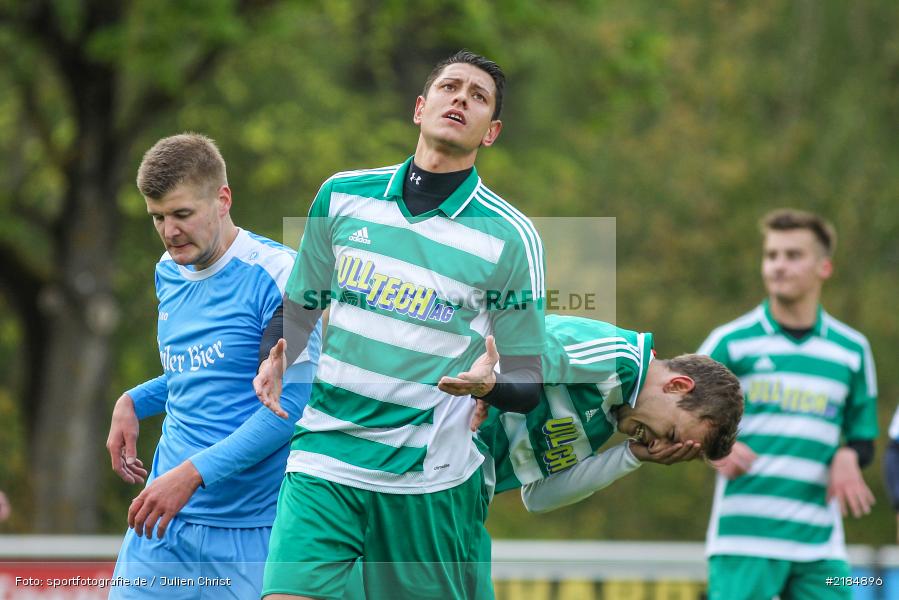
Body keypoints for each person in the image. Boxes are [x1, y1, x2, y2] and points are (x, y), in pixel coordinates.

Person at [255, 50, 546, 599]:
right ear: (420, 108)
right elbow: (299, 305)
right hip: (326, 456)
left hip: (427, 480)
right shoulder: (342, 195)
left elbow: (529, 380)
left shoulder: (511, 237)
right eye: (449, 87)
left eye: (477, 96)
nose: (460, 99)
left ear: (492, 132)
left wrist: (492, 385)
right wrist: (277, 353)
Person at [106, 133, 320, 599]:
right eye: (158, 218)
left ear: (223, 199)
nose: (169, 231)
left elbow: (293, 406)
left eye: (182, 214)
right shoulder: (168, 269)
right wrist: (134, 400)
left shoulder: (282, 275)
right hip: (162, 526)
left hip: (250, 533)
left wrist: (192, 474)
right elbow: (207, 369)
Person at [699, 209, 878, 600]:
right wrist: (714, 449)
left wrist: (850, 455)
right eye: (771, 255)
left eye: (793, 255)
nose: (778, 266)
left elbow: (863, 439)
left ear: (824, 267)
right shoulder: (730, 342)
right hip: (743, 541)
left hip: (822, 547)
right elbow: (678, 415)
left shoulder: (852, 351)